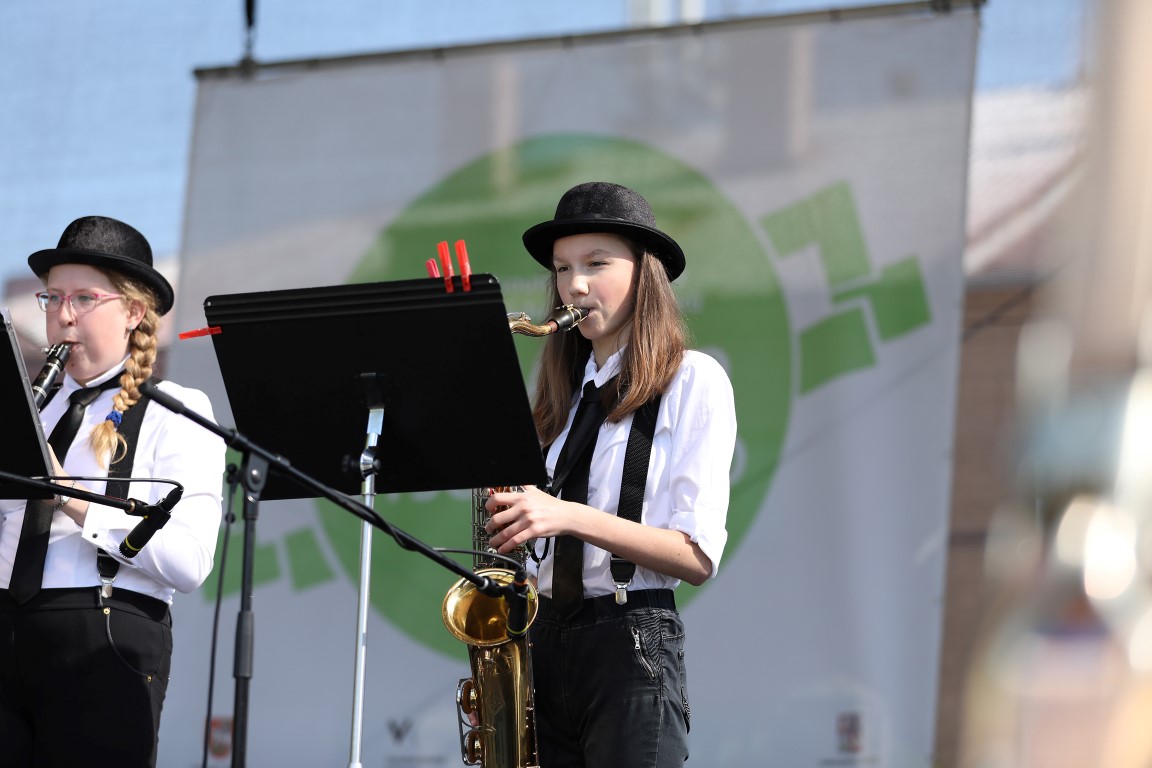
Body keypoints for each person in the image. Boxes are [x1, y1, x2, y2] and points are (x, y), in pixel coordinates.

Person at [484, 181, 737, 766]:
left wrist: (567, 516)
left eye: (596, 264)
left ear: (645, 274)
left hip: (631, 642)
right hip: (541, 643)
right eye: (562, 268)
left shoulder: (693, 378)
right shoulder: (562, 397)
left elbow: (697, 555)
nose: (574, 285)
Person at [0, 216, 225, 766]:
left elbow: (190, 562)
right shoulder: (29, 406)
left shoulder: (177, 409)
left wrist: (73, 498)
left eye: (84, 298)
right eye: (53, 298)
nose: (63, 316)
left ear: (133, 312)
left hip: (102, 636)